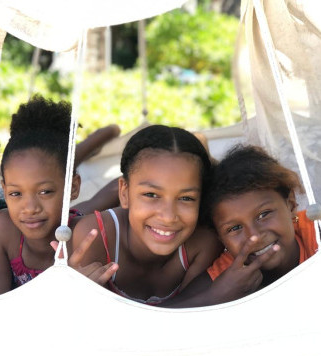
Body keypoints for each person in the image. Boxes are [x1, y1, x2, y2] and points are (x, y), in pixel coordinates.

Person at [163, 144, 321, 307]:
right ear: (221, 238)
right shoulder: (230, 272)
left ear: (290, 205)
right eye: (234, 228)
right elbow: (161, 315)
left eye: (263, 215)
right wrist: (215, 295)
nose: (254, 236)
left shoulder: (317, 230)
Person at [71, 124, 223, 305]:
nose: (168, 216)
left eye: (186, 198)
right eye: (151, 195)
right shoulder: (93, 236)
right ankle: (101, 136)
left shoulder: (204, 243)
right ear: (124, 193)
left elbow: (187, 312)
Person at [0, 96, 120, 297]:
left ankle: (108, 132)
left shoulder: (84, 239)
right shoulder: (3, 227)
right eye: (15, 193)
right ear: (4, 190)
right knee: (91, 202)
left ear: (74, 187)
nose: (30, 208)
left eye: (45, 192)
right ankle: (103, 134)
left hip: (72, 222)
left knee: (99, 201)